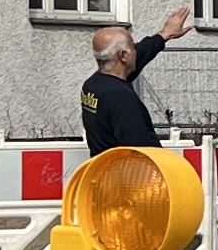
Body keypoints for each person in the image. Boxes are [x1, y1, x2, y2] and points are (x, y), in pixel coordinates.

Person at [78, 8, 195, 153]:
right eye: (133, 47)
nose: (136, 49)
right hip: (126, 174)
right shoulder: (121, 98)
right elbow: (144, 151)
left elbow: (137, 57)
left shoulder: (93, 85)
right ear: (123, 55)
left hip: (105, 171)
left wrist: (164, 35)